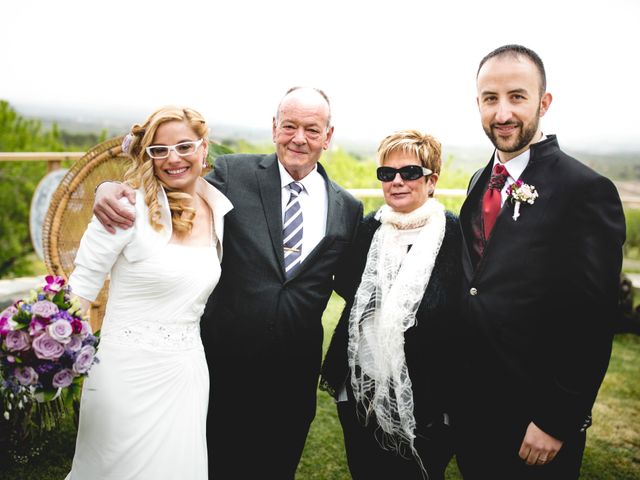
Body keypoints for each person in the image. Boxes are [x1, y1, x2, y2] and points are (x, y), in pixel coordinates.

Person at [92, 87, 363, 479]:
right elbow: (172, 176)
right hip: (222, 368)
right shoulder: (234, 174)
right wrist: (109, 188)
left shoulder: (347, 208)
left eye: (311, 128)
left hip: (292, 379)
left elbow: (353, 283)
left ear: (328, 135)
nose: (298, 138)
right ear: (274, 128)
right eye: (289, 126)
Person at [454, 44, 626, 479]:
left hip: (536, 425)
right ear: (478, 104)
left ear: (543, 103)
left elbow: (594, 318)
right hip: (473, 413)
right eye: (490, 99)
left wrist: (557, 418)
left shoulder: (585, 191)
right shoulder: (480, 179)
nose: (502, 113)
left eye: (517, 96)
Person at [65, 106, 233, 479]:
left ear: (204, 148)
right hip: (123, 378)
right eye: (159, 150)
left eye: (184, 146)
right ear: (149, 155)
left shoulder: (218, 207)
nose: (173, 158)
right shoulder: (125, 208)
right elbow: (80, 288)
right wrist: (48, 347)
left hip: (186, 375)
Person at [321, 130, 461, 480]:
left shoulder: (457, 236)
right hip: (360, 392)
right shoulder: (367, 229)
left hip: (427, 399)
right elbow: (347, 287)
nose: (397, 181)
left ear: (432, 180)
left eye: (410, 172)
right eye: (387, 173)